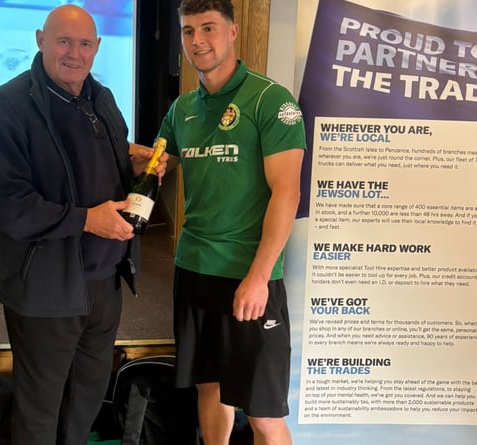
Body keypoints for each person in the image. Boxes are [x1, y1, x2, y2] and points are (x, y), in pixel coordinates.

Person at [0, 5, 167, 444]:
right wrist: (86, 220)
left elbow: (99, 162)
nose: (74, 53)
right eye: (63, 41)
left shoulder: (101, 98)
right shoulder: (7, 106)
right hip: (45, 290)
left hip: (105, 283)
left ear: (98, 48)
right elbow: (8, 205)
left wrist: (135, 161)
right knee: (41, 407)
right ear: (41, 39)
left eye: (85, 44)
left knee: (86, 397)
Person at [156, 1, 306, 444]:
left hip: (249, 278)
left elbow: (288, 192)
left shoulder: (270, 100)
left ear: (234, 32)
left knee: (263, 413)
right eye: (187, 31)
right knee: (211, 388)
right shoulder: (183, 107)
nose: (197, 41)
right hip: (194, 270)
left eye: (208, 28)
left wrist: (259, 278)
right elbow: (156, 162)